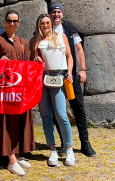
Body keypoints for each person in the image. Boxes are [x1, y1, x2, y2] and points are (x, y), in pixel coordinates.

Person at [0, 10, 35, 176]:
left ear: (18, 23)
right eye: (9, 20)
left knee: (20, 121)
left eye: (15, 21)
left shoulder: (21, 41)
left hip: (20, 90)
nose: (12, 23)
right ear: (5, 22)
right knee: (7, 122)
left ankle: (18, 153)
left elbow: (28, 65)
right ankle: (11, 160)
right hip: (5, 92)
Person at [49, 2, 96, 157]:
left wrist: (82, 70)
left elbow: (78, 49)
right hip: (53, 76)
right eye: (53, 12)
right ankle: (63, 143)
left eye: (58, 12)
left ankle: (85, 143)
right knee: (57, 110)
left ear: (62, 14)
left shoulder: (70, 28)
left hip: (71, 75)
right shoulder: (46, 28)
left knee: (78, 108)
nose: (56, 14)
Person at [30, 14, 75, 167]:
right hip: (43, 79)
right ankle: (52, 149)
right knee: (46, 116)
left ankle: (69, 148)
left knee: (61, 115)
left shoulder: (61, 37)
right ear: (39, 25)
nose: (45, 25)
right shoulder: (35, 42)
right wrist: (35, 60)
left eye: (48, 22)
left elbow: (69, 57)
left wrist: (69, 72)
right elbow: (34, 61)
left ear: (51, 23)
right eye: (42, 23)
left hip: (59, 77)